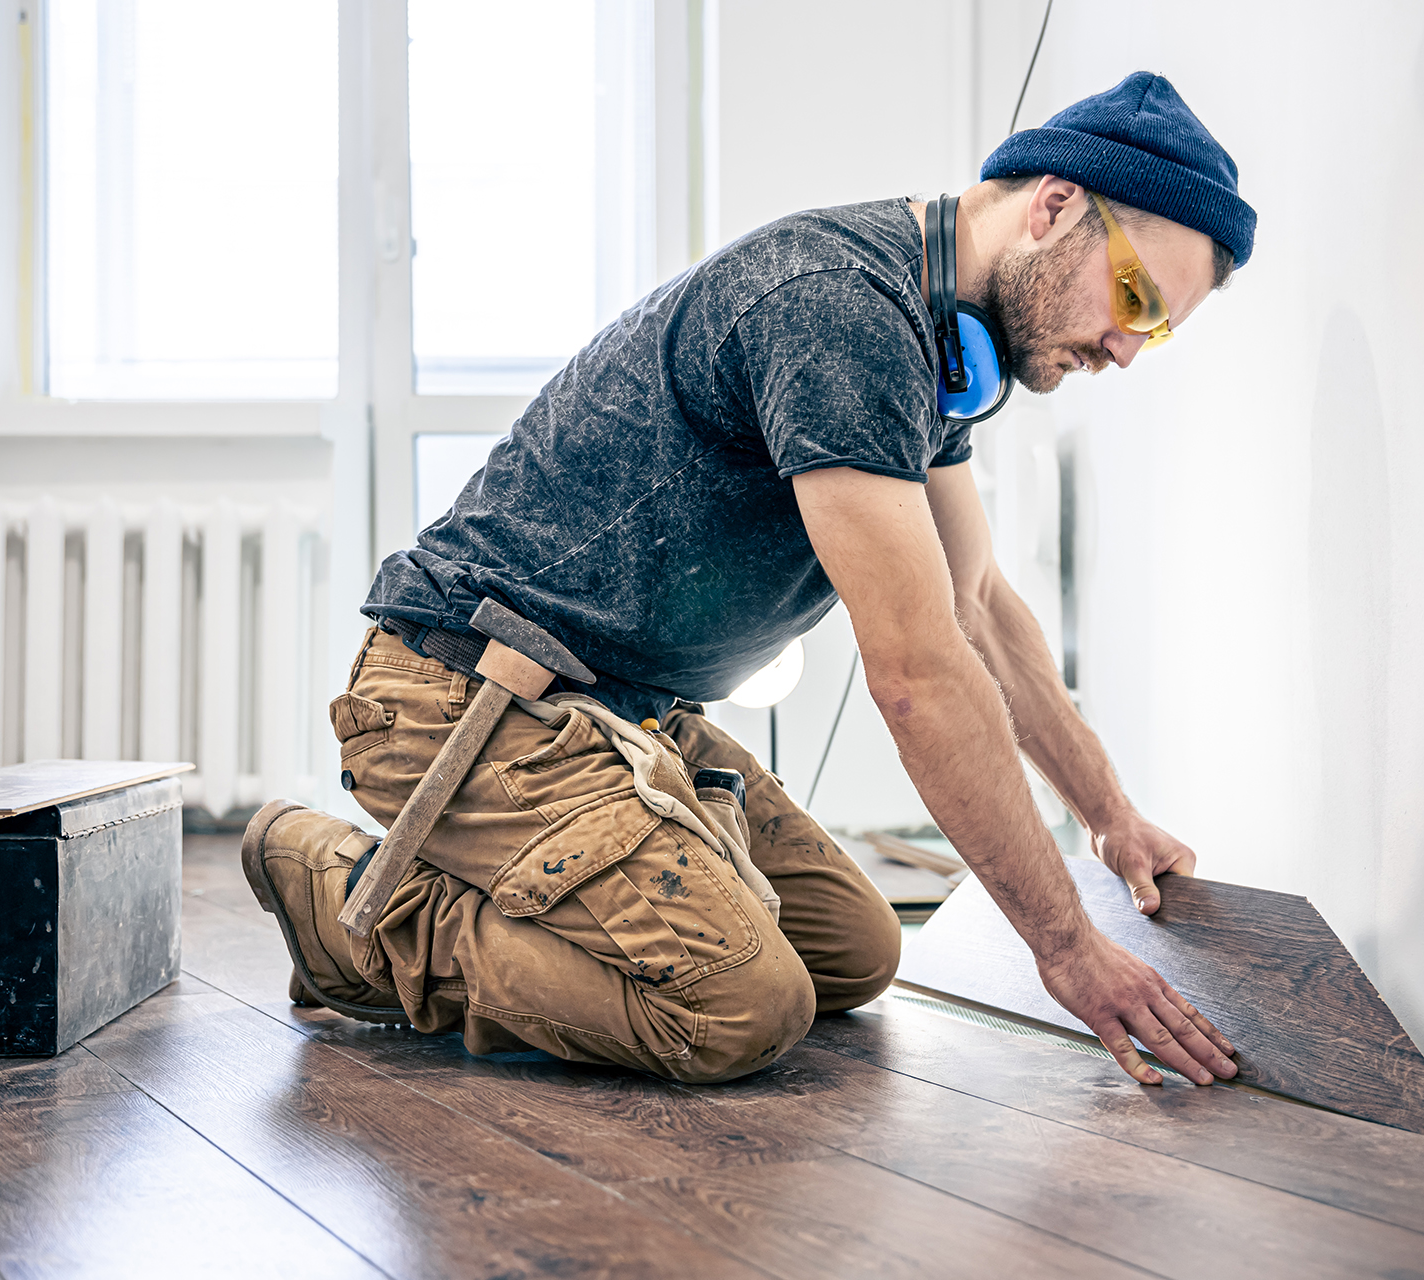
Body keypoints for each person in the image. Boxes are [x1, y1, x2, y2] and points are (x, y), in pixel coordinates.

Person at [241, 71, 1255, 1089]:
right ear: (1054, 205)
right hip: (463, 694)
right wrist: (1069, 949)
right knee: (740, 1007)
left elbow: (978, 604)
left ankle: (501, 891)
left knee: (856, 952)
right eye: (1133, 300)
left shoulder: (936, 342)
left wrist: (1108, 812)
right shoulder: (842, 309)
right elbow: (918, 672)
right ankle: (357, 916)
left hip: (624, 715)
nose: (1127, 349)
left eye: (1157, 329)